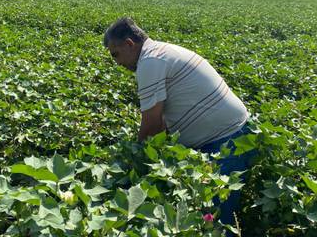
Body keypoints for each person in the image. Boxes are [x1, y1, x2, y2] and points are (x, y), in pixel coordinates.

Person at [103, 17, 253, 236]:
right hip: (231, 134)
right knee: (208, 216)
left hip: (227, 141)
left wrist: (134, 167)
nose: (116, 62)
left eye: (115, 54)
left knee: (214, 222)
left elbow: (151, 127)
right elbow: (161, 122)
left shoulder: (150, 62)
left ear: (129, 44)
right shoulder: (161, 51)